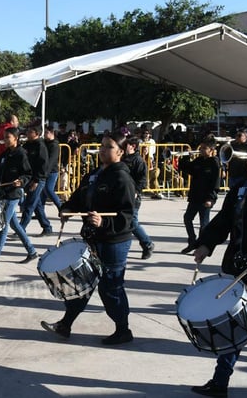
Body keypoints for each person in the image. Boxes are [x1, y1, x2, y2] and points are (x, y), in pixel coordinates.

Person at [190, 133, 247, 398]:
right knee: (236, 324)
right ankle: (220, 382)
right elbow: (223, 221)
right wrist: (206, 244)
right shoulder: (241, 188)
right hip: (238, 269)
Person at [40, 131, 136, 345]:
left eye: (108, 147)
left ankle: (123, 330)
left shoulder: (122, 177)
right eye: (101, 146)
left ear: (120, 152)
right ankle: (65, 325)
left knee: (111, 287)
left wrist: (104, 222)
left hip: (114, 242)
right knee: (82, 281)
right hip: (93, 239)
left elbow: (128, 216)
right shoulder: (94, 174)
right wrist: (67, 208)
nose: (102, 150)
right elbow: (79, 198)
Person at [0, 127, 38, 268]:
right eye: (4, 137)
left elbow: (28, 174)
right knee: (14, 224)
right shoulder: (6, 154)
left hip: (13, 194)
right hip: (4, 192)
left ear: (15, 139)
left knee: (3, 226)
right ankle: (32, 251)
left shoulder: (21, 154)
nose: (4, 140)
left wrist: (21, 181)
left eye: (7, 138)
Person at [179, 136, 220, 254]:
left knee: (204, 224)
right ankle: (192, 241)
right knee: (187, 218)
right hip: (195, 196)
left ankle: (201, 245)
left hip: (206, 198)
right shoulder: (199, 160)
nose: (201, 150)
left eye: (204, 148)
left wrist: (211, 198)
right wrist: (185, 157)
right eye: (201, 148)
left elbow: (215, 183)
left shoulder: (215, 163)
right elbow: (187, 168)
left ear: (211, 149)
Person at [122, 136, 155, 259]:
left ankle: (147, 244)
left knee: (132, 222)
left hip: (133, 197)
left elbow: (142, 180)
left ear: (133, 146)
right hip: (121, 195)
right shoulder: (122, 158)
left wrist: (136, 191)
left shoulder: (138, 161)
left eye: (126, 144)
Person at [19, 125, 54, 236]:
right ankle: (47, 227)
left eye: (30, 131)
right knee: (37, 205)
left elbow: (43, 165)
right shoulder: (27, 145)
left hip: (37, 180)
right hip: (29, 178)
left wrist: (37, 180)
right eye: (28, 131)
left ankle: (21, 228)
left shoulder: (40, 146)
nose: (28, 133)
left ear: (37, 134)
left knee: (29, 204)